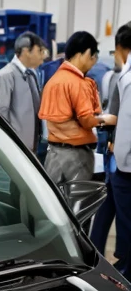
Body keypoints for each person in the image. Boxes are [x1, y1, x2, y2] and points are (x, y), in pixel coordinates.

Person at [39, 30, 114, 183]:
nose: (94, 62)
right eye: (93, 56)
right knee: (77, 202)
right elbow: (87, 120)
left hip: (53, 154)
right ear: (85, 53)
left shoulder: (53, 81)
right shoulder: (78, 83)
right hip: (76, 156)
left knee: (55, 201)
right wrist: (108, 119)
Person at [91, 23, 131, 257]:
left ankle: (123, 263)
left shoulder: (122, 79)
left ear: (121, 49)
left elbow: (119, 119)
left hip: (120, 161)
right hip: (113, 157)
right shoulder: (114, 77)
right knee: (111, 208)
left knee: (122, 215)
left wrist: (90, 121)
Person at [0, 31, 45, 151]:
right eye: (39, 51)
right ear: (26, 51)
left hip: (32, 148)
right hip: (14, 149)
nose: (42, 56)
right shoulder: (5, 76)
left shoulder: (32, 74)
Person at [111, 28, 131, 276]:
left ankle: (127, 268)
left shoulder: (127, 79)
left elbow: (126, 127)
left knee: (126, 221)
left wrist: (119, 160)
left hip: (128, 169)